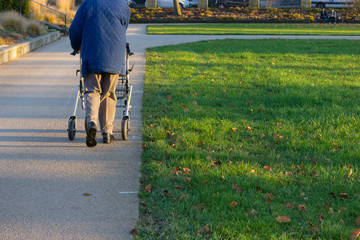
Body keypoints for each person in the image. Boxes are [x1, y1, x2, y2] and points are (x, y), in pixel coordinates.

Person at [69, 0, 130, 147]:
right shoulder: (122, 4)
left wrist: (76, 46)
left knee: (92, 90)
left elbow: (75, 30)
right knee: (109, 93)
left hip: (92, 52)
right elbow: (123, 27)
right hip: (114, 54)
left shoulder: (88, 3)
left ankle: (92, 123)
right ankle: (107, 132)